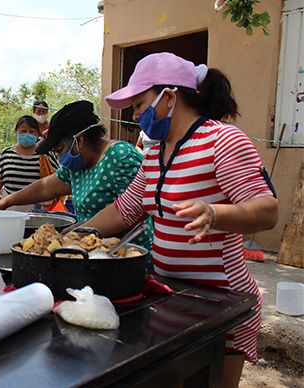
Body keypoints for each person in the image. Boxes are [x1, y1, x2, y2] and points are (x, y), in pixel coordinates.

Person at [79, 52, 278, 387]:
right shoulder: (155, 153)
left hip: (221, 304)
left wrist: (216, 213)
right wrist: (70, 234)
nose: (135, 114)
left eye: (140, 104)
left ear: (169, 97)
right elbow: (124, 209)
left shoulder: (222, 141)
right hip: (173, 299)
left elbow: (267, 209)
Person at [0, 100, 152, 253]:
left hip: (126, 254)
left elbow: (131, 211)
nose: (59, 158)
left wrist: (82, 230)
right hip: (90, 253)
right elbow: (44, 187)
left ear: (78, 141)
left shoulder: (120, 156)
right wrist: (6, 201)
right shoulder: (77, 165)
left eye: (59, 151)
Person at [0, 115, 59, 212]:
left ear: (38, 134)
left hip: (38, 212)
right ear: (16, 133)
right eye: (23, 131)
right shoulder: (6, 154)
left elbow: (58, 180)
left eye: (32, 131)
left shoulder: (45, 154)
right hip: (9, 210)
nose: (27, 134)